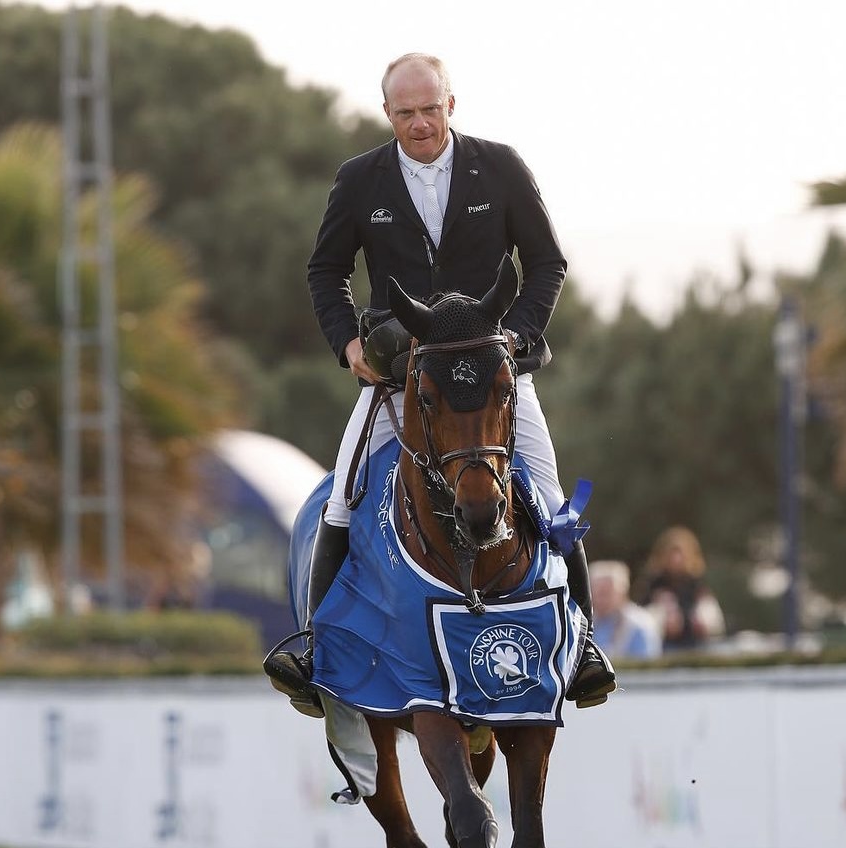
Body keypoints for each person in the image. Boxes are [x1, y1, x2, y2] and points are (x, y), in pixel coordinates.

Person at [264, 53, 616, 715]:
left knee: (551, 498)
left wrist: (514, 336)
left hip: (491, 377)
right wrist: (347, 344)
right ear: (388, 114)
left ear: (451, 104)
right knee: (342, 497)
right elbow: (326, 272)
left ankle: (586, 645)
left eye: (430, 109)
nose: (420, 123)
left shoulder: (501, 166)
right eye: (406, 113)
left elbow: (546, 263)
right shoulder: (359, 179)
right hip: (401, 379)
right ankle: (316, 647)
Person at [632, 526, 725, 653]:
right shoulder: (653, 583)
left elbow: (712, 618)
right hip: (662, 646)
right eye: (672, 554)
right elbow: (639, 615)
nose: (676, 560)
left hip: (696, 644)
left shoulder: (697, 582)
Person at [589, 560, 662, 661]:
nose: (600, 598)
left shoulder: (640, 625)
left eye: (606, 592)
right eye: (595, 591)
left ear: (622, 592)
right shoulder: (583, 623)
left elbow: (647, 667)